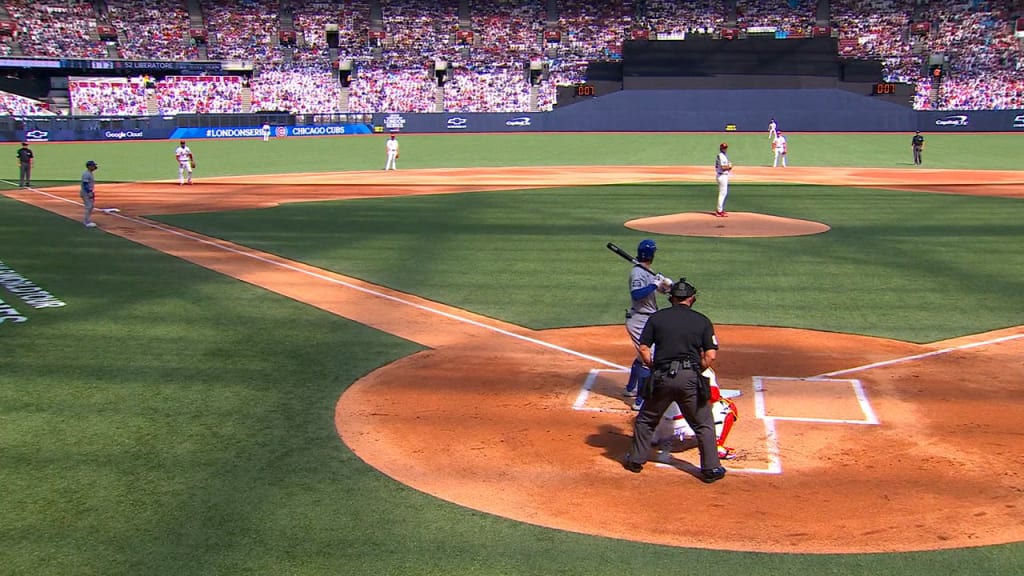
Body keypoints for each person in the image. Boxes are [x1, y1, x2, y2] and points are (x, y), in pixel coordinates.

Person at [623, 278, 727, 483]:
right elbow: (711, 355)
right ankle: (711, 469)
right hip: (690, 378)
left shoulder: (657, 318)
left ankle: (635, 461)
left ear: (671, 298)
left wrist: (655, 367)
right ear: (692, 299)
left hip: (661, 377)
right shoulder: (702, 320)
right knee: (703, 424)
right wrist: (697, 369)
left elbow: (643, 348)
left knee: (646, 419)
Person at [622, 239, 673, 411]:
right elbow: (637, 294)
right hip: (639, 320)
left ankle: (631, 389)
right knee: (648, 359)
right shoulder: (637, 272)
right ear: (650, 254)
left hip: (647, 318)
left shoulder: (647, 271)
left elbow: (661, 291)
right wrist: (653, 284)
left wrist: (666, 286)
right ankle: (641, 401)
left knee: (641, 356)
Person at [651, 368, 739, 462]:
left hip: (660, 424)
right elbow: (714, 396)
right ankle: (717, 446)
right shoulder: (703, 369)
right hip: (687, 425)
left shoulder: (662, 363)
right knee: (727, 406)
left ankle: (653, 438)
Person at [714, 143, 732, 217]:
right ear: (721, 148)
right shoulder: (722, 156)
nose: (725, 149)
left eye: (726, 148)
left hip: (721, 175)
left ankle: (720, 209)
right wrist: (730, 167)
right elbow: (723, 167)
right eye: (724, 148)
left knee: (723, 193)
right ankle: (719, 211)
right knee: (722, 194)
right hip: (722, 176)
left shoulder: (721, 155)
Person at [81, 160, 98, 228]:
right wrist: (89, 192)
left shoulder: (89, 173)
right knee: (89, 207)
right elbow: (85, 184)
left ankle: (87, 220)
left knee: (90, 206)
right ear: (89, 166)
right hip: (86, 192)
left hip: (88, 192)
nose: (95, 167)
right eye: (93, 165)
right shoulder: (86, 174)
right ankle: (86, 222)